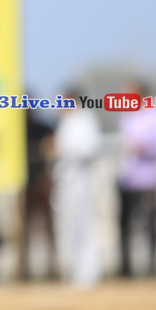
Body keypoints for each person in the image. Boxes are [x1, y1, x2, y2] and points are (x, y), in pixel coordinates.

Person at [117, 81, 156, 277]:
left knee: (150, 224)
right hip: (128, 178)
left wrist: (148, 147)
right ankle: (126, 269)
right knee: (125, 225)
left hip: (149, 179)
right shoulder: (127, 116)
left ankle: (152, 268)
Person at [51, 89, 102, 288]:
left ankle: (88, 272)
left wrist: (63, 150)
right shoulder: (66, 122)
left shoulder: (85, 119)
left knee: (84, 226)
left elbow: (90, 148)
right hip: (66, 180)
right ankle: (74, 270)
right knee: (69, 228)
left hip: (80, 180)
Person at [19, 103, 57, 280]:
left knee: (49, 227)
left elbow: (53, 150)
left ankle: (53, 267)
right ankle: (23, 269)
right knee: (23, 229)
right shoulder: (18, 130)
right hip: (24, 186)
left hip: (42, 184)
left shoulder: (44, 129)